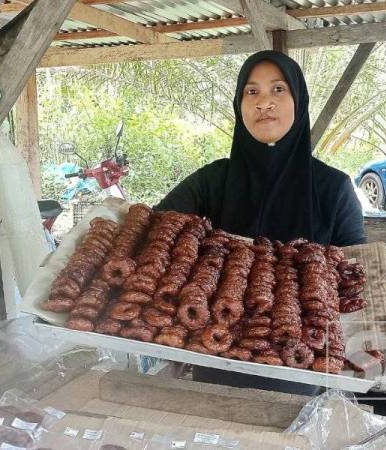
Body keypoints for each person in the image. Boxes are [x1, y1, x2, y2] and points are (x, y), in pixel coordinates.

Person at [154, 50, 366, 394]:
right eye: (251, 92)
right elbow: (157, 234)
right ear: (240, 105)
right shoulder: (212, 181)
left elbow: (356, 281)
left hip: (301, 375)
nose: (263, 102)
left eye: (278, 90)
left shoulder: (332, 188)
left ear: (299, 101)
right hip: (216, 363)